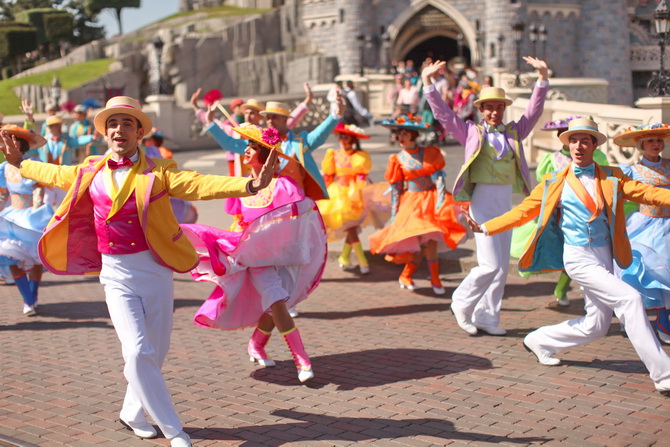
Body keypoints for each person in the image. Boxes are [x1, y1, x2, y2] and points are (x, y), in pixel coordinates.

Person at [0, 95, 278, 447]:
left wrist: (249, 185)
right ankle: (174, 429)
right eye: (113, 123)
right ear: (105, 132)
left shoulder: (159, 170)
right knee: (136, 351)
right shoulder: (89, 169)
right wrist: (22, 163)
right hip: (115, 273)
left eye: (127, 123)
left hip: (156, 269)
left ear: (139, 133)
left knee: (154, 354)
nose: (120, 129)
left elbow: (198, 184)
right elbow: (53, 173)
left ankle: (132, 413)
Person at [463, 118, 670, 395]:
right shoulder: (554, 182)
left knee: (596, 327)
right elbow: (523, 211)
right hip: (578, 256)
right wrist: (486, 227)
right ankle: (664, 374)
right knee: (630, 299)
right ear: (568, 145)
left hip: (605, 255)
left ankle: (540, 339)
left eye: (585, 140)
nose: (578, 146)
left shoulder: (612, 176)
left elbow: (647, 193)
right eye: (573, 140)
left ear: (595, 145)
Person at [183, 123, 325, 383]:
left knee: (278, 304)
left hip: (281, 255)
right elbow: (238, 221)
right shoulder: (240, 187)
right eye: (247, 146)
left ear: (267, 154)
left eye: (253, 147)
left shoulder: (284, 186)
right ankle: (302, 360)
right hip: (255, 258)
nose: (246, 150)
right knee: (276, 300)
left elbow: (299, 216)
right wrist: (237, 246)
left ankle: (256, 344)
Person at [421, 56, 549, 336]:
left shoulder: (514, 132)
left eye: (498, 107)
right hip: (481, 202)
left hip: (506, 203)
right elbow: (443, 115)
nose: (494, 112)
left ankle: (488, 318)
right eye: (489, 107)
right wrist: (428, 83)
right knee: (489, 264)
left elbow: (534, 112)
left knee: (501, 267)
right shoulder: (470, 131)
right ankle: (461, 303)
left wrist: (542, 79)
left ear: (504, 108)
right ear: (481, 110)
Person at [510, 116, 609, 306]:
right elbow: (545, 184)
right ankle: (566, 289)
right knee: (565, 251)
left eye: (582, 140)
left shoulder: (596, 159)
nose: (576, 145)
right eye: (568, 138)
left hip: (590, 214)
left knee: (589, 253)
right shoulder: (551, 159)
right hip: (559, 215)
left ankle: (567, 289)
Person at [369, 115, 468, 295]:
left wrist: (440, 201)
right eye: (398, 134)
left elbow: (438, 178)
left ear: (413, 135)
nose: (400, 137)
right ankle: (407, 275)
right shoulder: (396, 159)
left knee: (430, 242)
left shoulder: (430, 153)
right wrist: (395, 213)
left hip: (430, 200)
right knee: (419, 244)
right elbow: (397, 187)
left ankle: (434, 279)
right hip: (412, 204)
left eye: (404, 133)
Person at [206, 97, 346, 200]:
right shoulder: (259, 141)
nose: (270, 121)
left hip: (296, 203)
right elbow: (231, 144)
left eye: (275, 117)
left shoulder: (300, 142)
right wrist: (210, 123)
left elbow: (319, 135)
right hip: (269, 201)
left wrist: (336, 116)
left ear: (286, 120)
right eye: (268, 117)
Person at [613, 123, 670, 343]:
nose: (655, 145)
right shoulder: (631, 171)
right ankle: (632, 320)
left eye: (658, 140)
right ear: (641, 145)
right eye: (650, 141)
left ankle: (665, 323)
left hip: (668, 225)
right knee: (640, 272)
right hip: (646, 226)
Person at [318, 122, 388, 274]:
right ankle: (362, 260)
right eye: (341, 137)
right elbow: (328, 176)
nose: (343, 140)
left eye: (347, 138)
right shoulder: (333, 154)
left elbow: (361, 177)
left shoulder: (359, 157)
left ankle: (344, 257)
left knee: (352, 227)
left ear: (353, 141)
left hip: (354, 194)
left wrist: (358, 192)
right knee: (351, 227)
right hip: (337, 196)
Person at [0, 125, 49, 315]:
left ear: (20, 147)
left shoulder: (32, 164)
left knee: (36, 261)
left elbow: (40, 186)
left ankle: (33, 295)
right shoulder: (3, 169)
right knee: (11, 257)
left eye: (11, 144)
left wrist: (37, 206)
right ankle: (28, 299)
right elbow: (3, 193)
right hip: (11, 217)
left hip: (31, 218)